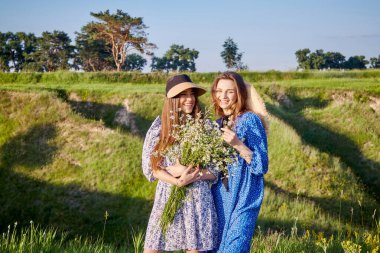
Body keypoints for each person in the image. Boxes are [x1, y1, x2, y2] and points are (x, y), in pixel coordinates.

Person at [142, 74, 218, 253]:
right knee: (152, 248)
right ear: (173, 99)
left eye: (192, 94)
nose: (190, 99)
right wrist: (176, 180)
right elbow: (152, 168)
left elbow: (216, 171)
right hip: (167, 194)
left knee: (194, 249)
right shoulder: (159, 127)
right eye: (183, 94)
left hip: (197, 196)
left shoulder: (205, 126)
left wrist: (189, 173)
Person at [210, 71, 269, 253]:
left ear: (239, 93)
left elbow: (261, 165)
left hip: (245, 195)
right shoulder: (216, 124)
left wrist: (237, 144)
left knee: (235, 248)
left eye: (229, 91)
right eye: (219, 91)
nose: (223, 96)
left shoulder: (250, 119)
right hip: (219, 196)